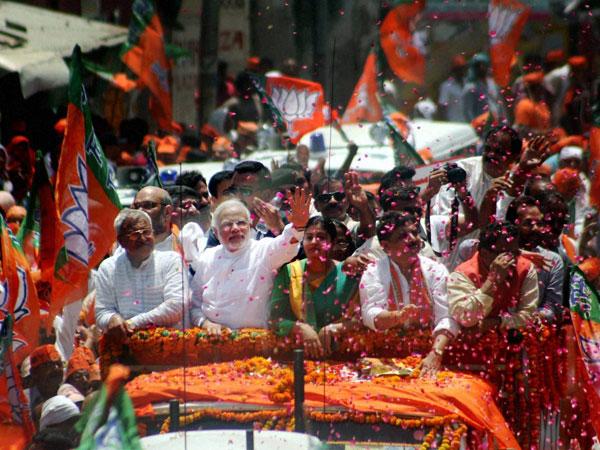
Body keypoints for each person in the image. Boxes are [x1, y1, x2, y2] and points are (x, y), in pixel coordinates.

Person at [190, 190, 310, 333]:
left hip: (255, 341)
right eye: (227, 224)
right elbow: (195, 306)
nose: (235, 229)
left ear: (249, 226)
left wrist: (298, 226)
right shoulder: (207, 257)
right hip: (212, 342)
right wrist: (205, 323)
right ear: (215, 232)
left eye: (241, 223)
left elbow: (287, 244)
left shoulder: (263, 250)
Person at [360, 212, 460, 376]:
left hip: (431, 355)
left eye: (415, 232)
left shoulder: (435, 269)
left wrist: (435, 354)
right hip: (385, 359)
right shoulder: (374, 272)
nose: (414, 239)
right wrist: (396, 317)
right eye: (403, 236)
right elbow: (371, 315)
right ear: (385, 246)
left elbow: (447, 317)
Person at [270, 216, 360, 358]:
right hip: (295, 356)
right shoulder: (289, 272)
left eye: (321, 237)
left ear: (332, 243)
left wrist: (333, 329)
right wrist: (300, 328)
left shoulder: (348, 274)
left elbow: (361, 320)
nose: (314, 242)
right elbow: (274, 320)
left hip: (341, 356)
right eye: (309, 237)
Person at [95, 209, 189, 341]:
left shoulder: (171, 260)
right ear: (121, 241)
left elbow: (177, 306)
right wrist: (112, 318)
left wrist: (133, 323)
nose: (143, 238)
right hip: (126, 346)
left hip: (169, 344)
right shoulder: (109, 267)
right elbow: (102, 312)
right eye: (135, 234)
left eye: (146, 232)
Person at [448, 221, 538, 331]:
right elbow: (465, 318)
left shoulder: (526, 268)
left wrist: (496, 323)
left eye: (516, 253)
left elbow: (529, 316)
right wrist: (493, 280)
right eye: (506, 254)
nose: (513, 260)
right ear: (486, 253)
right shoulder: (462, 274)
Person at [505, 196, 564, 323]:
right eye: (528, 224)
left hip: (529, 329)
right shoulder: (497, 253)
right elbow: (466, 246)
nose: (536, 229)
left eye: (540, 223)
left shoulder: (551, 260)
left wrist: (531, 318)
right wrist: (518, 253)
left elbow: (552, 307)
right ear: (512, 225)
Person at [313, 172, 376, 242]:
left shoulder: (353, 227)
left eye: (339, 196)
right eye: (324, 197)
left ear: (348, 202)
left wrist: (363, 206)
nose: (333, 201)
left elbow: (368, 232)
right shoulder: (310, 231)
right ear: (316, 205)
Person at [130, 186, 177, 252]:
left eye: (148, 205)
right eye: (136, 206)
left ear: (167, 212)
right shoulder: (123, 247)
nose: (140, 211)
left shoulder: (185, 244)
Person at [437, 55, 467, 122]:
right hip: (454, 123)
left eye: (462, 68)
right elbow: (442, 108)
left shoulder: (468, 83)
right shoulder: (446, 86)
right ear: (453, 70)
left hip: (468, 124)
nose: (460, 71)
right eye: (458, 69)